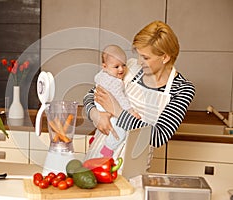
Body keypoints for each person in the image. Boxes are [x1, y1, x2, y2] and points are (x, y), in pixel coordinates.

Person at [83, 21, 195, 170]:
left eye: (146, 58)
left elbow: (158, 136)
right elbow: (90, 96)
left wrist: (118, 111)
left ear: (165, 57)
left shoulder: (181, 89)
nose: (139, 61)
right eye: (139, 55)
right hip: (97, 155)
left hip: (132, 168)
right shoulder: (129, 68)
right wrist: (96, 115)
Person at [85, 45, 140, 160]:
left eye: (123, 65)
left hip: (99, 107)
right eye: (116, 67)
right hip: (106, 109)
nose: (121, 69)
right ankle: (108, 149)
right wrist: (130, 112)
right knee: (119, 132)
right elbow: (121, 99)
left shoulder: (102, 75)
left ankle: (94, 139)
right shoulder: (115, 82)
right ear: (105, 66)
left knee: (104, 128)